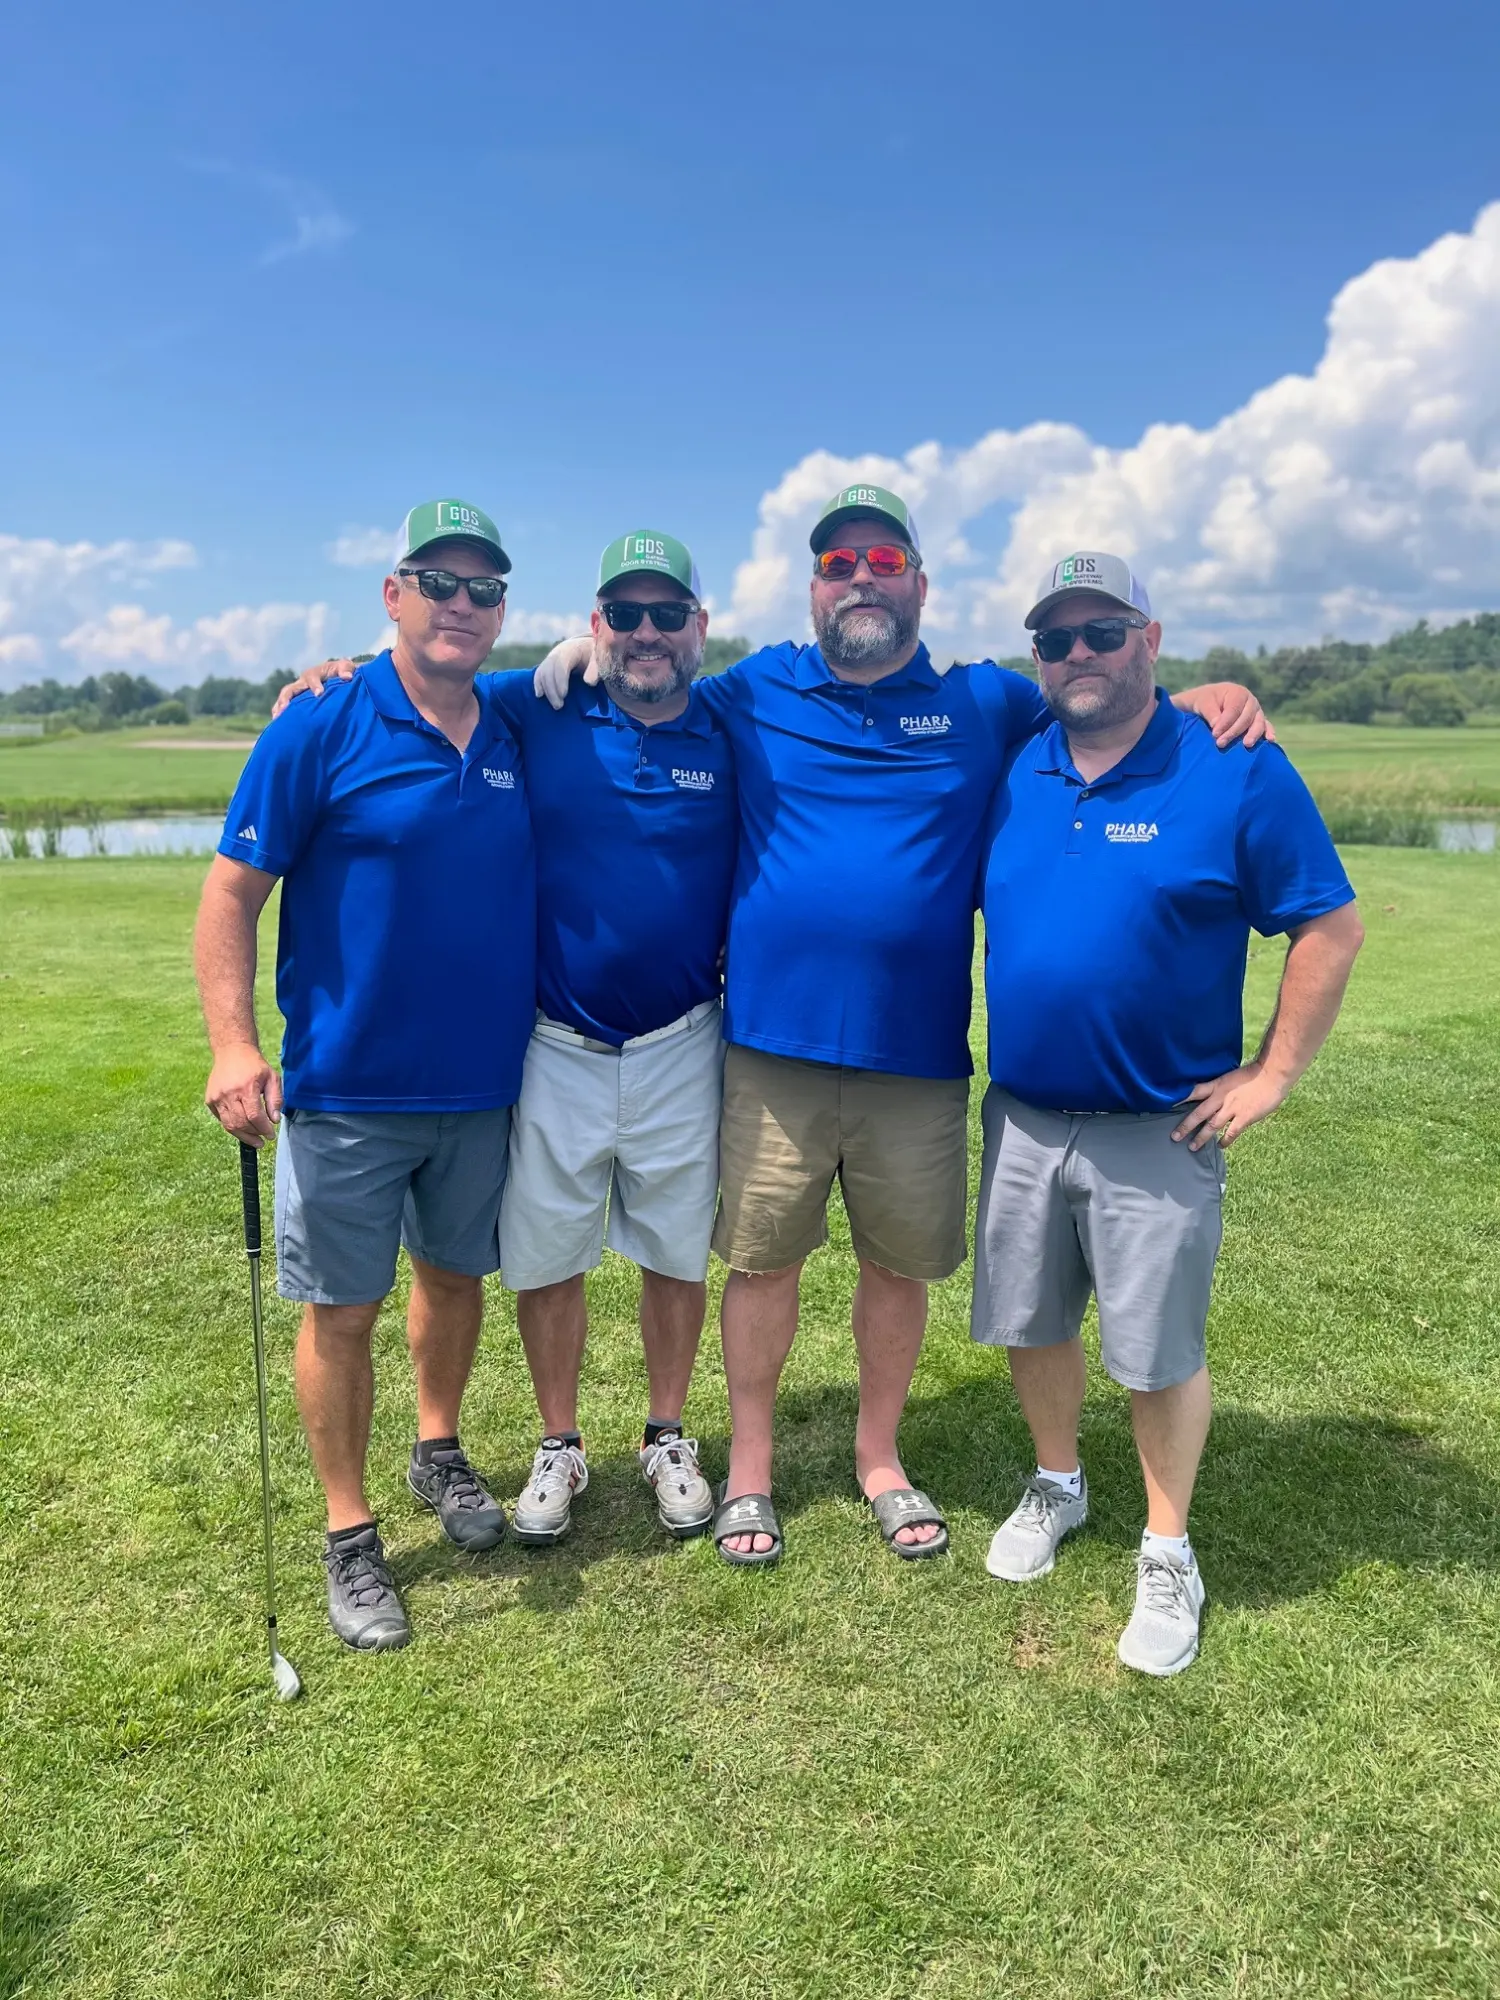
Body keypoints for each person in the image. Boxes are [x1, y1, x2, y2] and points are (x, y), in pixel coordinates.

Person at [536, 487, 1268, 1568]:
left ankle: (879, 1454)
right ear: (814, 586)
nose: (861, 576)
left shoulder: (983, 702)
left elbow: (1101, 695)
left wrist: (1202, 689)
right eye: (838, 562)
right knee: (762, 1264)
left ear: (920, 583)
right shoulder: (754, 689)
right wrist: (574, 640)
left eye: (884, 558)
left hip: (916, 1058)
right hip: (773, 1052)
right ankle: (749, 1468)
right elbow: (656, 669)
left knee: (897, 1269)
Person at [273, 532, 738, 1545]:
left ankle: (666, 1432)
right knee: (546, 1252)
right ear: (593, 623)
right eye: (624, 613)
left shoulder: (734, 717)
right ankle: (559, 1441)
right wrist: (328, 677)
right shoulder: (535, 707)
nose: (647, 633)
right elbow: (429, 674)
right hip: (558, 1037)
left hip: (682, 1038)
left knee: (673, 1249)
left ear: (699, 625)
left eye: (668, 614)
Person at [973, 550, 1363, 1675]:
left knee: (1155, 1349)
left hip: (1162, 1123)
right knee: (1033, 1321)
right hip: (1027, 1116)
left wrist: (1272, 1073)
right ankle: (1057, 1482)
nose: (1079, 655)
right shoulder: (1016, 763)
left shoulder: (1233, 764)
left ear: (1152, 637)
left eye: (1104, 633)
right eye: (1057, 638)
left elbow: (1328, 926)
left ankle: (1167, 1545)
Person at [195, 499, 536, 1652]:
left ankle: (438, 1447)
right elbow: (232, 892)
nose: (460, 604)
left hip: (481, 1082)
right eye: (436, 582)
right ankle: (349, 1531)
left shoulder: (511, 726)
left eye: (483, 589)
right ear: (392, 595)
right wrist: (234, 1043)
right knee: (342, 1309)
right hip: (345, 1085)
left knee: (454, 1277)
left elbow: (601, 676)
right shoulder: (322, 718)